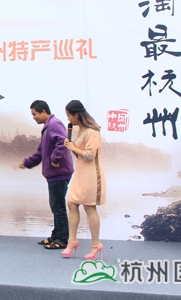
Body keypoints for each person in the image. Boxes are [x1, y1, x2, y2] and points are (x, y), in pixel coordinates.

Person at [13, 100, 73, 249]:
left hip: (59, 173)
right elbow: (40, 153)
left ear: (44, 111)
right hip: (53, 174)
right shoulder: (47, 128)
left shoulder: (54, 124)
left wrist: (54, 159)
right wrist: (26, 163)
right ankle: (56, 235)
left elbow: (63, 142)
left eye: (34, 114)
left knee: (58, 207)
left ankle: (62, 239)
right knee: (55, 206)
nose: (33, 117)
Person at [61, 100, 106, 260]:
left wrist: (73, 147)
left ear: (76, 115)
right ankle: (72, 241)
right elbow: (80, 154)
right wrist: (71, 146)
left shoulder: (93, 132)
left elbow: (89, 155)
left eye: (69, 115)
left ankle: (95, 245)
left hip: (92, 174)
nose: (68, 119)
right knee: (72, 203)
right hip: (80, 172)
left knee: (89, 207)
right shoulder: (79, 131)